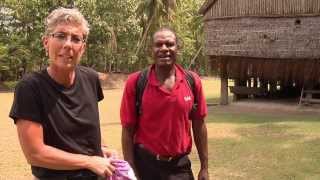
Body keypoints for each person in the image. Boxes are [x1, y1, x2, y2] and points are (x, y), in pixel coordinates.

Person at [9, 7, 115, 180]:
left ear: (82, 48)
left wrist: (101, 148)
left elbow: (88, 130)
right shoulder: (30, 88)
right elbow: (35, 154)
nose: (68, 44)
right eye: (60, 36)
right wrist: (89, 161)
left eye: (76, 39)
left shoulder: (90, 78)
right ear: (46, 42)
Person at [120, 27, 209, 180]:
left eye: (169, 44)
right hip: (145, 165)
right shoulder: (136, 82)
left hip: (179, 167)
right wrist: (131, 169)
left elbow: (199, 125)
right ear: (151, 50)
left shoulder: (192, 81)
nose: (164, 49)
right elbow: (127, 130)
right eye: (158, 44)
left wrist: (204, 167)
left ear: (177, 48)